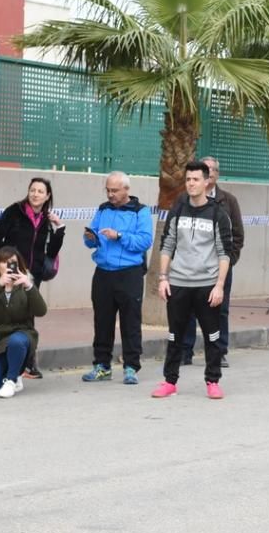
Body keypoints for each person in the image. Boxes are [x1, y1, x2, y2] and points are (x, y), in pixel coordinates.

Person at [151, 161, 233, 400]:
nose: (191, 184)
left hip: (207, 285)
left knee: (212, 337)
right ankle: (169, 381)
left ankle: (213, 381)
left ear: (207, 181)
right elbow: (167, 244)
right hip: (178, 283)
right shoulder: (178, 210)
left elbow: (224, 253)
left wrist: (219, 286)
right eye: (188, 179)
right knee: (174, 335)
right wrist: (163, 278)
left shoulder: (218, 213)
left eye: (196, 179)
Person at [0, 177, 66, 379]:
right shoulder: (15, 211)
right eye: (33, 190)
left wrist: (60, 229)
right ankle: (3, 358)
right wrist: (9, 259)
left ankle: (27, 364)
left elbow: (51, 251)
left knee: (28, 318)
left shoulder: (47, 219)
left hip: (33, 275)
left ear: (47, 196)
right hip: (13, 272)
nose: (35, 194)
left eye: (40, 191)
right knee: (8, 313)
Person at [81, 171, 153, 385]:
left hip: (129, 274)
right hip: (103, 272)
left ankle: (131, 367)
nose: (110, 194)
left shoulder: (141, 212)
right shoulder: (103, 209)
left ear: (126, 190)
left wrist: (119, 236)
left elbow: (145, 241)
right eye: (108, 190)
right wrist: (90, 238)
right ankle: (102, 365)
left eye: (115, 190)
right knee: (102, 321)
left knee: (130, 321)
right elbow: (92, 237)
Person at [180, 156, 243, 368]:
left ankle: (219, 352)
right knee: (188, 310)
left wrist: (229, 261)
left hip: (219, 268)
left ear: (215, 175)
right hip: (190, 268)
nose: (209, 173)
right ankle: (185, 351)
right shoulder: (184, 200)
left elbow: (238, 234)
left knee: (220, 310)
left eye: (212, 169)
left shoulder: (229, 200)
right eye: (204, 169)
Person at [0, 247, 47, 398]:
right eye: (4, 262)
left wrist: (29, 286)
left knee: (16, 341)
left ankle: (12, 379)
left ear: (18, 265)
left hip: (20, 336)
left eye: (12, 262)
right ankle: (11, 369)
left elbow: (41, 311)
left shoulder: (25, 282)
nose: (8, 266)